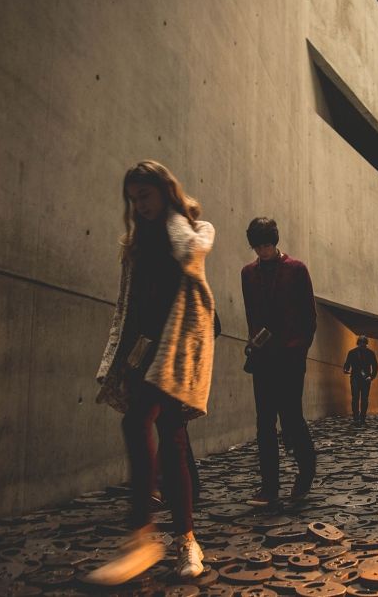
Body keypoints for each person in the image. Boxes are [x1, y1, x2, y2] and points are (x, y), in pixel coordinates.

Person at [91, 160, 215, 584]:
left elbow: (188, 254)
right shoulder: (135, 243)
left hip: (177, 353)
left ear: (164, 190)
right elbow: (130, 305)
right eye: (133, 199)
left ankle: (156, 538)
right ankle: (177, 538)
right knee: (167, 438)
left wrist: (173, 216)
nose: (138, 205)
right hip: (143, 351)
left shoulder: (194, 230)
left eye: (145, 195)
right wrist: (122, 358)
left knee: (153, 429)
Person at [241, 217, 318, 508]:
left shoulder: (296, 269)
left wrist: (297, 349)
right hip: (263, 358)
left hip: (290, 356)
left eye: (267, 245)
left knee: (291, 417)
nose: (263, 251)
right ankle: (269, 486)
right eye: (258, 246)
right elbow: (251, 314)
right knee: (264, 423)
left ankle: (305, 470)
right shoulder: (248, 274)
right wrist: (254, 343)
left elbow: (309, 316)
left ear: (275, 241)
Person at [343, 335, 378, 425]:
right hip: (355, 377)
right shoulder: (352, 352)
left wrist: (371, 376)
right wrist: (346, 369)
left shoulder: (370, 353)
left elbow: (375, 366)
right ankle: (356, 418)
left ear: (366, 343)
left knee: (364, 399)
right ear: (358, 343)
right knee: (355, 398)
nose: (362, 345)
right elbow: (347, 364)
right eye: (361, 343)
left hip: (366, 378)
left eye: (364, 343)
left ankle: (362, 418)